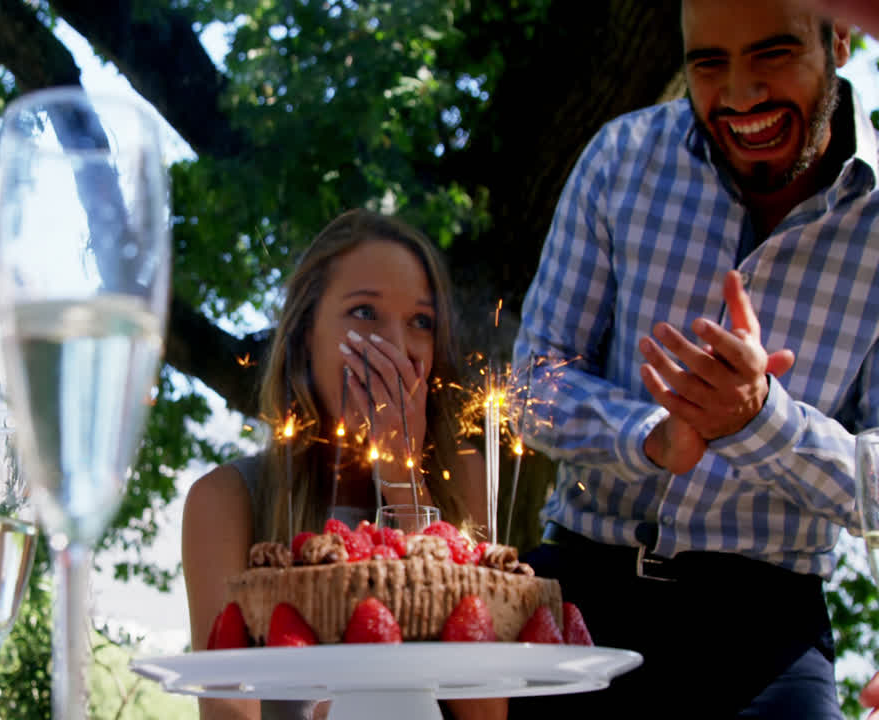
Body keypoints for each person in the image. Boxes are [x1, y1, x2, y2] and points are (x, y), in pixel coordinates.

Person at [510, 0, 878, 717]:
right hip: (579, 587)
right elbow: (531, 383)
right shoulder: (621, 157)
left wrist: (763, 424)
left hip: (768, 629)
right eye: (708, 63)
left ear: (839, 38)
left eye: (772, 54)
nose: (739, 96)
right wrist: (651, 437)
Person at [183, 208, 501, 720]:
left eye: (420, 321)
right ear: (305, 336)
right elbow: (225, 708)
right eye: (365, 313)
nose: (395, 346)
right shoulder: (228, 500)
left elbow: (485, 711)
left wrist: (403, 483)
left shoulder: (464, 479)